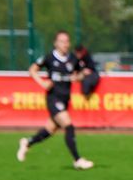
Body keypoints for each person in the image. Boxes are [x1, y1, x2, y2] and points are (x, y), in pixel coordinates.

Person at [16, 30, 94, 170]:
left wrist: (80, 76)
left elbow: (79, 75)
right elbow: (32, 69)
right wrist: (43, 83)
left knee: (50, 130)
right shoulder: (49, 58)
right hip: (53, 98)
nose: (65, 44)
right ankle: (77, 160)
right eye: (62, 41)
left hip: (65, 99)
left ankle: (27, 143)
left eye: (67, 41)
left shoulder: (72, 59)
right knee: (68, 125)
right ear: (56, 43)